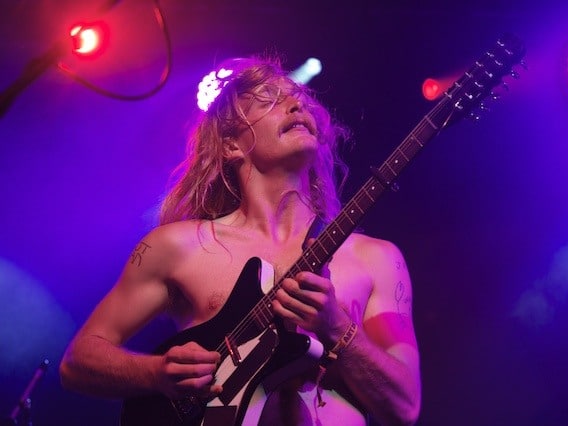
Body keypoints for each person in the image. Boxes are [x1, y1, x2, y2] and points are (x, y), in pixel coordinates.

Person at [59, 56, 421, 425]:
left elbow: (404, 407)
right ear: (231, 145)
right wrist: (156, 373)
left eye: (300, 99)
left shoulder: (375, 258)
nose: (297, 104)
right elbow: (79, 360)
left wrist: (338, 328)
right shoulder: (177, 246)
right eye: (270, 100)